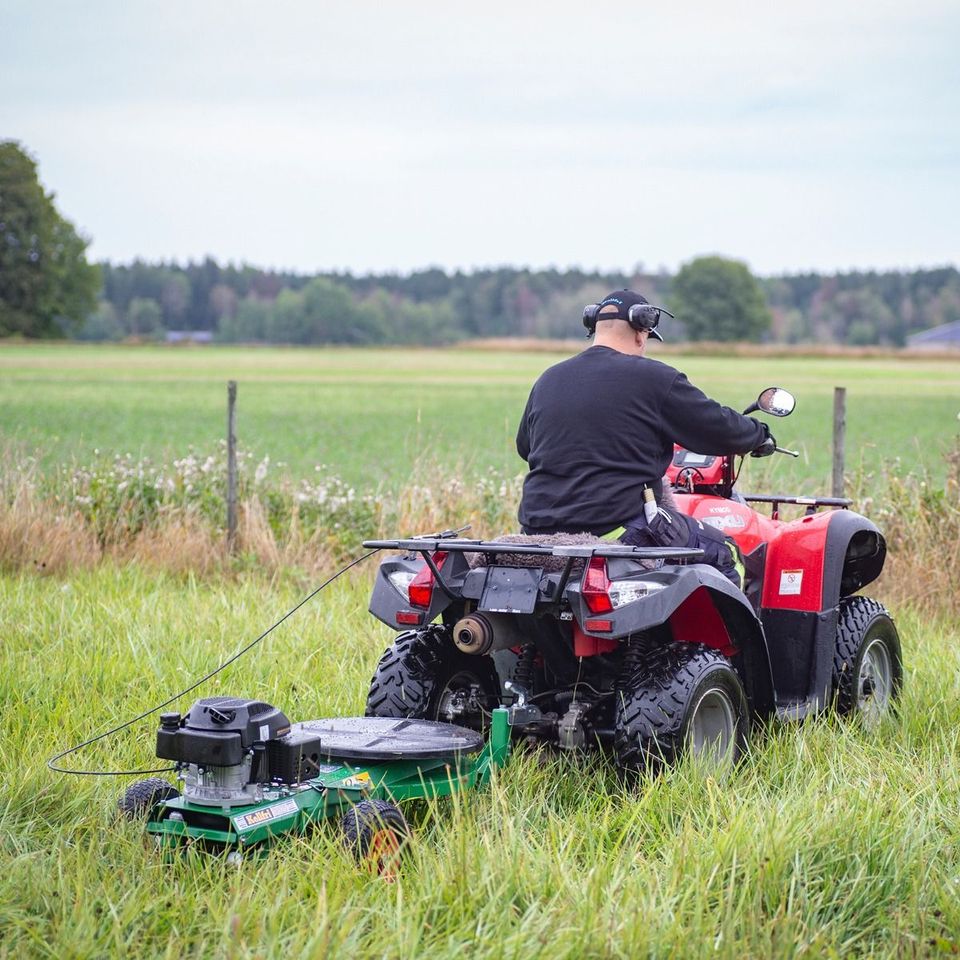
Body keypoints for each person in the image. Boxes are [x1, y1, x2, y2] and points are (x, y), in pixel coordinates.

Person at [515, 289, 776, 584]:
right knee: (724, 553)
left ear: (595, 327)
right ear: (642, 332)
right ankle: (736, 632)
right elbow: (719, 428)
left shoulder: (549, 379)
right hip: (618, 528)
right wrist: (758, 434)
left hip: (537, 532)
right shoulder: (654, 378)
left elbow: (526, 447)